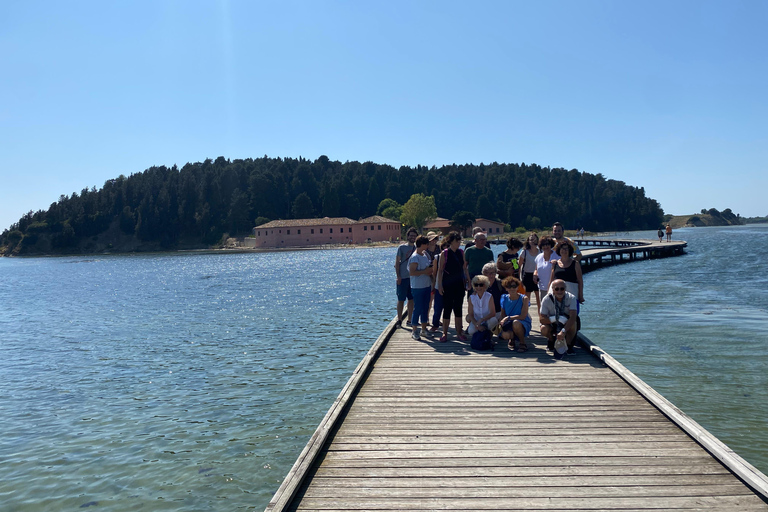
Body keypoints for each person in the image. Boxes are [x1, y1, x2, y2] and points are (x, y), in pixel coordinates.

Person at [436, 232, 470, 342]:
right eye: (457, 241)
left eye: (460, 241)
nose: (459, 243)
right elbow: (440, 271)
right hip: (448, 284)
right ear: (451, 242)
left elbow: (465, 268)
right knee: (447, 309)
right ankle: (445, 333)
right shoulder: (444, 253)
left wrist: (468, 280)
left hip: (459, 284)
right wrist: (440, 286)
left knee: (458, 309)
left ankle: (459, 332)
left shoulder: (461, 252)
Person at [539, 279, 578, 355]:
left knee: (574, 323)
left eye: (562, 289)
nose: (559, 291)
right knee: (543, 329)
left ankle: (568, 345)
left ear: (565, 289)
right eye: (556, 289)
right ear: (552, 290)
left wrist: (563, 331)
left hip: (566, 321)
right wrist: (558, 318)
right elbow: (542, 319)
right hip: (552, 322)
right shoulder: (546, 299)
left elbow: (573, 317)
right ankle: (551, 339)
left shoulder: (571, 298)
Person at [408, 235, 433, 340]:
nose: (428, 245)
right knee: (417, 308)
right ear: (421, 244)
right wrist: (425, 271)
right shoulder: (415, 257)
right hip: (417, 287)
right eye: (426, 243)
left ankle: (423, 329)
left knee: (425, 307)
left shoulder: (425, 255)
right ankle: (414, 330)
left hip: (426, 285)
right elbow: (412, 272)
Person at [499, 276, 532, 352]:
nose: (512, 289)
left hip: (522, 322)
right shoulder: (504, 298)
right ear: (506, 288)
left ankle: (522, 343)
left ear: (517, 287)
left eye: (514, 286)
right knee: (504, 335)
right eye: (509, 287)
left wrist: (508, 318)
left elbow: (523, 316)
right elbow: (502, 314)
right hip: (509, 322)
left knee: (516, 323)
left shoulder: (524, 298)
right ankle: (512, 338)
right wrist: (500, 324)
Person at [549, 241, 585, 305]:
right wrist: (548, 294)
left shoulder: (575, 263)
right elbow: (551, 280)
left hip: (572, 292)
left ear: (569, 251)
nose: (564, 251)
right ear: (559, 250)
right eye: (562, 248)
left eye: (566, 249)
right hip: (557, 293)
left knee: (572, 313)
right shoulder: (555, 264)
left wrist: (580, 295)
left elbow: (580, 281)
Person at [395, 227, 418, 325]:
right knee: (401, 299)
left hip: (413, 278)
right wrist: (398, 276)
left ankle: (409, 320)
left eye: (414, 236)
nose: (413, 237)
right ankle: (399, 319)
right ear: (407, 236)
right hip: (403, 277)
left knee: (411, 299)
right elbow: (397, 262)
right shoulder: (402, 248)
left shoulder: (418, 248)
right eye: (411, 235)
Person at [429, 237, 450, 333]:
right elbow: (434, 273)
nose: (446, 250)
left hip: (451, 286)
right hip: (439, 286)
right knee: (437, 307)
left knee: (450, 307)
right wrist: (433, 286)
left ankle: (452, 325)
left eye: (448, 247)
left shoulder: (454, 256)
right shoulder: (437, 257)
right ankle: (435, 324)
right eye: (444, 248)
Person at [532, 236, 557, 316]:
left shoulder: (557, 256)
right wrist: (535, 275)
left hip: (555, 288)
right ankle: (543, 324)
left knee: (554, 310)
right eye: (544, 245)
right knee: (543, 309)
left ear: (551, 245)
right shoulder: (539, 257)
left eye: (548, 244)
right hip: (542, 288)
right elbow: (536, 269)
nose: (546, 247)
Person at [464, 231, 494, 296]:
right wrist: (466, 278)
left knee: (485, 296)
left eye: (485, 239)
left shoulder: (489, 252)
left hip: (485, 277)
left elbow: (492, 266)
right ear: (475, 240)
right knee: (472, 296)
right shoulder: (469, 250)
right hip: (472, 277)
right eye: (481, 240)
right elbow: (465, 265)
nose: (483, 241)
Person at [517, 233, 541, 312]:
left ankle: (540, 315)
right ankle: (525, 314)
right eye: (531, 239)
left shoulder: (540, 251)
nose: (532, 241)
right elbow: (519, 266)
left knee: (539, 297)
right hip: (527, 276)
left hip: (538, 275)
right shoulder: (524, 252)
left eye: (534, 239)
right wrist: (519, 278)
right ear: (528, 241)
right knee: (527, 298)